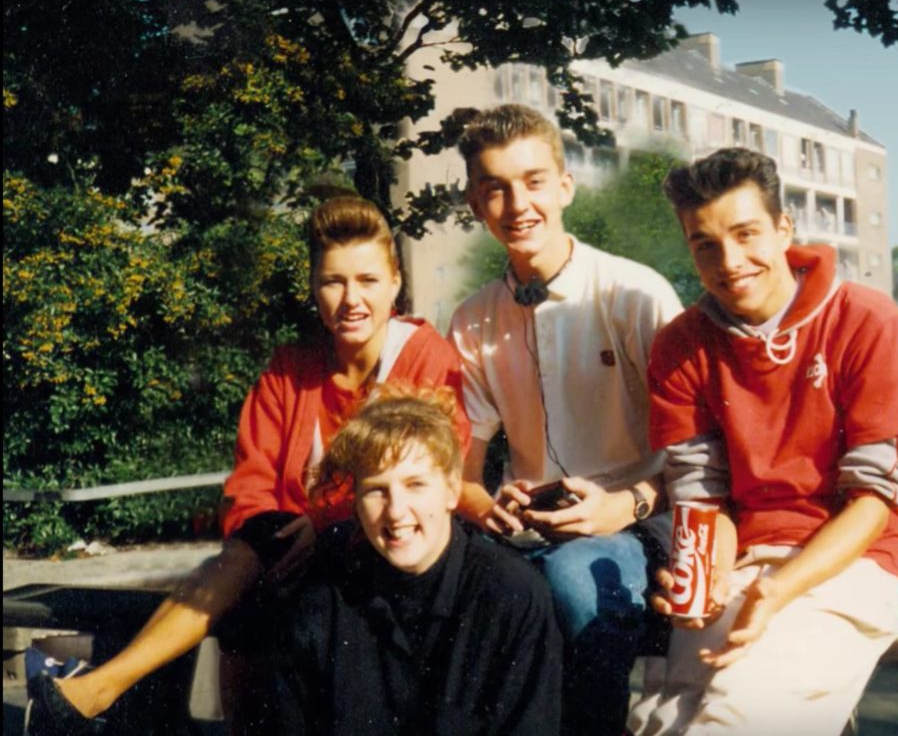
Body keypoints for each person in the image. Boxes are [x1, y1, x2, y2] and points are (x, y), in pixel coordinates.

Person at [27, 196, 471, 735]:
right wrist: (285, 541)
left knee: (259, 586)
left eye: (368, 280)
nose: (351, 299)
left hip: (384, 546)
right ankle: (109, 697)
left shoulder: (424, 356)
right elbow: (250, 484)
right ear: (313, 288)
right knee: (252, 568)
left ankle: (98, 690)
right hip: (281, 555)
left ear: (395, 283)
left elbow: (431, 467)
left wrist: (320, 526)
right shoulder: (290, 368)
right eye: (333, 282)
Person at [629, 148, 898, 735]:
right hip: (746, 561)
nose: (730, 262)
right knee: (659, 723)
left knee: (736, 719)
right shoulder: (681, 345)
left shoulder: (871, 323)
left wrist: (779, 589)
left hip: (853, 565)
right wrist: (705, 579)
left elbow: (874, 502)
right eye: (705, 245)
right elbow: (703, 497)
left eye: (746, 234)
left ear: (784, 229)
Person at [448, 103, 684, 736]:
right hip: (529, 530)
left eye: (533, 182)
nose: (517, 204)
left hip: (640, 520)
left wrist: (622, 507)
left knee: (575, 581)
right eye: (495, 188)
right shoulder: (472, 319)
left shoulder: (635, 294)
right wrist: (488, 506)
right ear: (475, 203)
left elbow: (706, 454)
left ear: (565, 187)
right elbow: (464, 475)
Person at [269, 386, 561, 735]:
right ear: (356, 502)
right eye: (376, 490)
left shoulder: (512, 596)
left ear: (452, 490)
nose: (395, 511)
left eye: (415, 485)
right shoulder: (322, 599)